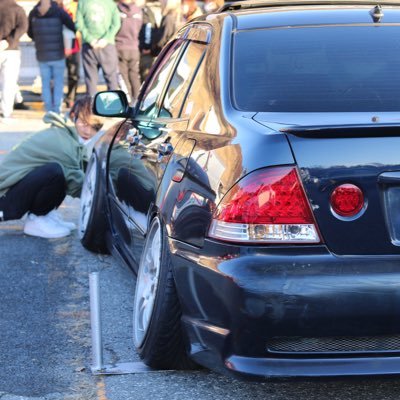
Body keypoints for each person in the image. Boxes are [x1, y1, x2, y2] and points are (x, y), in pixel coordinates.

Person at [0, 96, 104, 239]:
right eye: (84, 123)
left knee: (61, 173)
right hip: (3, 199)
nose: (89, 131)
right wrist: (107, 202)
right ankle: (37, 219)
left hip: (10, 193)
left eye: (95, 127)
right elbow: (78, 184)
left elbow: (81, 171)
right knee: (56, 172)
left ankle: (45, 214)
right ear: (73, 116)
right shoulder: (62, 142)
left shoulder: (68, 135)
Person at [28, 0, 75, 114]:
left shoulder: (34, 12)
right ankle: (57, 108)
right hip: (58, 53)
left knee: (45, 82)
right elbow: (72, 26)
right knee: (58, 82)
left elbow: (30, 32)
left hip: (42, 53)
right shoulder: (59, 11)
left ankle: (48, 109)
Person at [76, 0, 121, 96]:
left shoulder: (82, 3)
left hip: (89, 46)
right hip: (107, 46)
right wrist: (106, 39)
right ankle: (113, 107)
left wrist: (90, 39)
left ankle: (91, 107)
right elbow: (116, 24)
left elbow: (79, 24)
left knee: (90, 80)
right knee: (111, 79)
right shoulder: (111, 4)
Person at [0, 0, 28, 123]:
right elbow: (23, 27)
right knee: (9, 82)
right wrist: (11, 40)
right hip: (12, 49)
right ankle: (6, 112)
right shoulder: (17, 9)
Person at [55, 0, 81, 109]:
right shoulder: (56, 8)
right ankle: (58, 99)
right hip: (60, 47)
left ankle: (71, 98)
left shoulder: (77, 7)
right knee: (58, 75)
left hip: (74, 46)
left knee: (73, 74)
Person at [116, 0, 143, 104]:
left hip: (120, 46)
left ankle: (127, 102)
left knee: (123, 76)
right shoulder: (139, 11)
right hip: (134, 47)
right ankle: (138, 101)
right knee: (134, 75)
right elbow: (140, 28)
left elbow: (115, 27)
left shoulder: (117, 10)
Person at [138, 0, 158, 81]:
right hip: (145, 50)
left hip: (146, 53)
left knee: (145, 78)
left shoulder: (145, 12)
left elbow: (148, 30)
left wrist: (146, 47)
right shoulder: (144, 10)